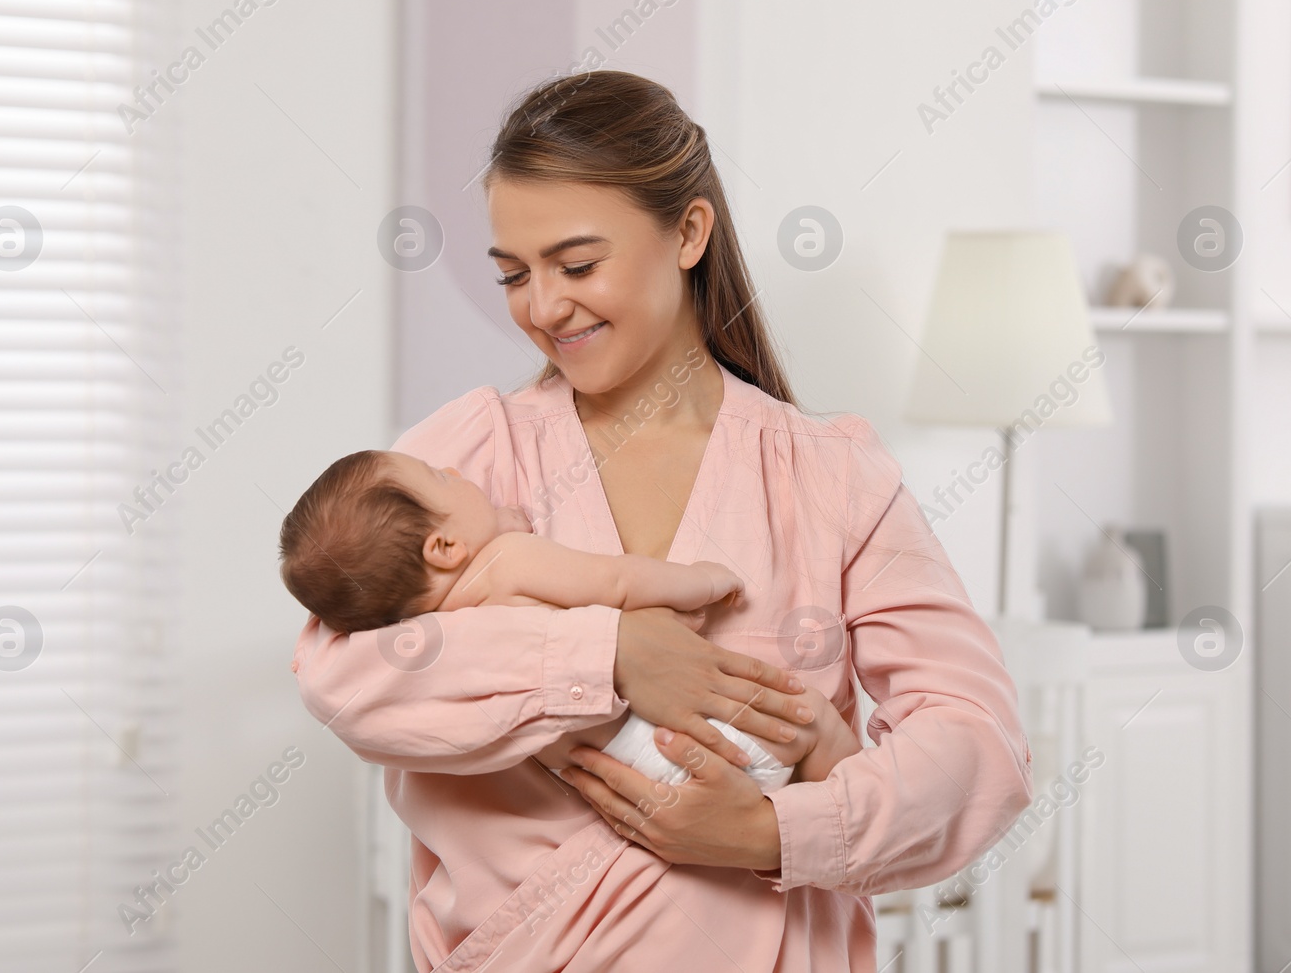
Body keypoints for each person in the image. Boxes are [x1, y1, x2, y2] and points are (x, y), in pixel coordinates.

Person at [291, 69, 1034, 971]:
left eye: (577, 264)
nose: (543, 306)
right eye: (514, 274)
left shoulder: (830, 476)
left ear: (688, 232)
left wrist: (773, 832)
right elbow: (343, 677)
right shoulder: (466, 460)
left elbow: (979, 748)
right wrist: (605, 655)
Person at [276, 447, 864, 792]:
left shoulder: (436, 639)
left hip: (632, 773)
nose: (454, 473)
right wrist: (703, 580)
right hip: (707, 733)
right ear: (446, 548)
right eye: (439, 478)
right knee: (814, 726)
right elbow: (617, 582)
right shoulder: (507, 563)